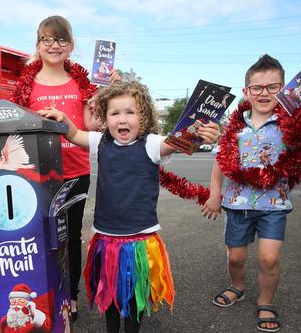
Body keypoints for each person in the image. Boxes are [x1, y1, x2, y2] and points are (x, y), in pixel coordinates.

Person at [39, 81, 220, 333]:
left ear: (143, 116)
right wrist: (62, 118)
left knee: (135, 300)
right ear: (105, 118)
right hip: (106, 239)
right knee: (110, 297)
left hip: (139, 241)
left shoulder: (152, 144)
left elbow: (178, 142)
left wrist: (201, 134)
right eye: (115, 113)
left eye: (130, 112)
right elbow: (73, 134)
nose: (122, 119)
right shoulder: (101, 141)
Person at [201, 54, 301, 333]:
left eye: (273, 86)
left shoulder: (292, 123)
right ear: (246, 91)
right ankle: (238, 286)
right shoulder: (233, 126)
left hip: (274, 203)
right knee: (236, 257)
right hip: (236, 203)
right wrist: (214, 194)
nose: (264, 93)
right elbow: (220, 162)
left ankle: (266, 301)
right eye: (257, 87)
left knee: (269, 258)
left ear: (284, 89)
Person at [10, 15, 100, 320]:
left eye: (61, 39)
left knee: (71, 236)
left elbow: (90, 128)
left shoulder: (81, 83)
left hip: (75, 171)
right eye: (47, 39)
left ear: (71, 46)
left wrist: (100, 99)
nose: (54, 45)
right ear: (37, 45)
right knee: (37, 236)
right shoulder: (26, 84)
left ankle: (70, 296)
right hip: (37, 174)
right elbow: (17, 130)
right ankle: (42, 293)